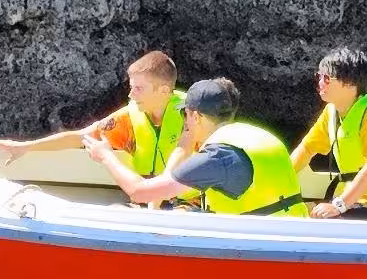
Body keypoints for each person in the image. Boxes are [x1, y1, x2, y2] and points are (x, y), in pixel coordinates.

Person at [83, 78, 307, 217]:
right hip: (290, 235)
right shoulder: (256, 136)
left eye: (185, 114)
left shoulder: (216, 158)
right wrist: (183, 148)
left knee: (119, 212)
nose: (185, 122)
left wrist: (106, 157)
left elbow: (140, 192)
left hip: (259, 253)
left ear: (196, 116)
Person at [0, 51, 186, 178]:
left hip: (187, 204)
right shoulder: (130, 117)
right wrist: (25, 147)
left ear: (162, 91)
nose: (130, 95)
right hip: (146, 199)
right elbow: (80, 137)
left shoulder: (195, 116)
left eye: (139, 89)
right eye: (131, 87)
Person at [290, 48, 367, 220]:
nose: (320, 83)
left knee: (326, 222)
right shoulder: (331, 112)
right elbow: (306, 150)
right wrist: (279, 180)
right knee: (295, 212)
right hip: (354, 202)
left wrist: (338, 205)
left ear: (349, 83)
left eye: (326, 78)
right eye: (319, 77)